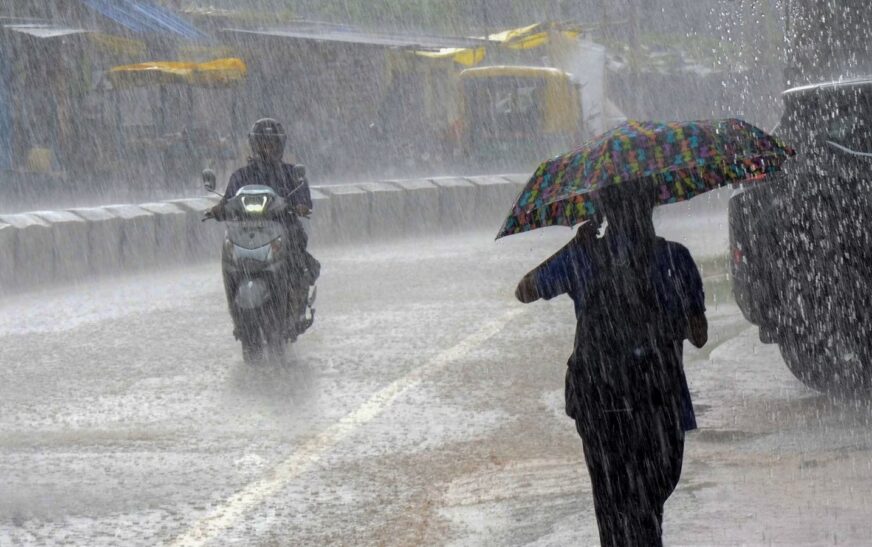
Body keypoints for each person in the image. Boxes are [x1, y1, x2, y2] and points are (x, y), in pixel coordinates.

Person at [515, 183, 708, 547]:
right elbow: (699, 335)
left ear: (603, 212)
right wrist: (663, 324)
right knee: (647, 512)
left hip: (601, 405)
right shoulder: (675, 259)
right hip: (659, 406)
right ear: (651, 207)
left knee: (611, 509)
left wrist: (575, 248)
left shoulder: (584, 257)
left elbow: (524, 290)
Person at [211, 118, 320, 334]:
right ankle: (236, 311)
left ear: (280, 146)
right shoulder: (240, 176)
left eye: (271, 144)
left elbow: (304, 202)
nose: (267, 149)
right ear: (254, 145)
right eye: (262, 143)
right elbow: (227, 200)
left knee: (298, 256)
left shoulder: (292, 174)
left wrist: (299, 207)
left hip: (284, 230)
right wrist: (218, 209)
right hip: (245, 234)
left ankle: (296, 301)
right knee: (229, 260)